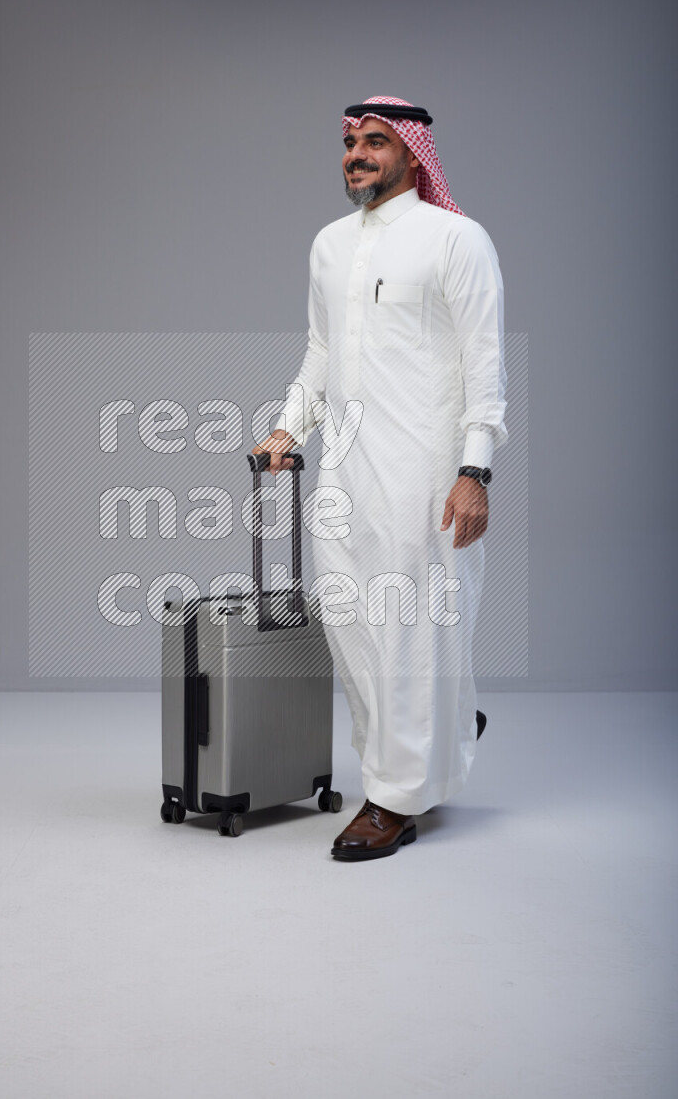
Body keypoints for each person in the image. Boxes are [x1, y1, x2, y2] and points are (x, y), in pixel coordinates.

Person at [253, 95, 508, 862]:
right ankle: (446, 720)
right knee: (348, 616)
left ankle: (392, 798)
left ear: (411, 152)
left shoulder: (456, 240)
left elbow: (484, 364)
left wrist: (475, 470)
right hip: (346, 467)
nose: (356, 155)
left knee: (409, 623)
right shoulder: (330, 245)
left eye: (374, 142)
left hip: (423, 467)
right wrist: (289, 425)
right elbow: (321, 353)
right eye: (349, 143)